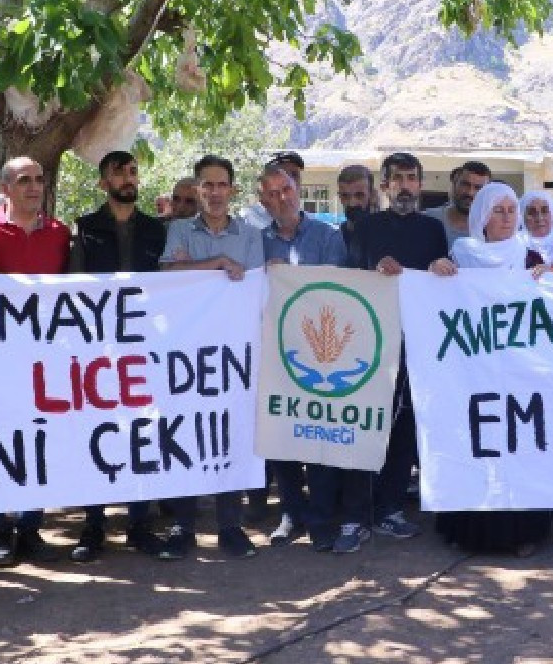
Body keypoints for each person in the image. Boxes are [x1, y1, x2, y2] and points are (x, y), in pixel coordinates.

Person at [433, 182, 553, 555]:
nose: (506, 218)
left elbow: (551, 307)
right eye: (497, 211)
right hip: (473, 373)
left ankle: (521, 534)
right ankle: (472, 533)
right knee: (478, 446)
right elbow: (437, 301)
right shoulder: (461, 255)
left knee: (518, 448)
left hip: (519, 374)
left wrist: (552, 280)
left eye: (511, 210)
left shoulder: (529, 257)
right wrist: (434, 271)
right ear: (482, 216)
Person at [154, 154, 264, 561]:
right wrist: (216, 264)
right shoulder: (179, 229)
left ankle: (230, 527)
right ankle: (182, 526)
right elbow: (168, 276)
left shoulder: (250, 235)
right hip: (186, 352)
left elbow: (254, 285)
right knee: (185, 431)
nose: (215, 193)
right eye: (207, 185)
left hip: (232, 353)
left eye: (221, 185)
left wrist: (194, 269)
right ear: (197, 189)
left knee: (228, 433)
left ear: (232, 190)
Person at [0, 156, 70, 567]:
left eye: (39, 179)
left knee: (37, 439)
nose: (34, 187)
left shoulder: (60, 233)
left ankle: (30, 527)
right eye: (24, 180)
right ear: (5, 187)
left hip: (44, 358)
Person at [67, 150, 168, 563]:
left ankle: (139, 524)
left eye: (133, 172)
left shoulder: (157, 231)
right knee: (98, 430)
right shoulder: (85, 228)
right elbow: (74, 286)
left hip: (144, 349)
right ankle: (93, 525)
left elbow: (170, 285)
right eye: (119, 173)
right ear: (103, 183)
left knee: (141, 432)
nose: (128, 178)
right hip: (97, 350)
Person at [346, 152, 449, 550]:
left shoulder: (433, 229)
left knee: (404, 427)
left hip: (417, 343)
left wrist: (440, 268)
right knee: (364, 426)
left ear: (420, 184)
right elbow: (351, 279)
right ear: (385, 186)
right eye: (397, 179)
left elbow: (441, 277)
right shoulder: (366, 228)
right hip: (371, 342)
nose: (405, 186)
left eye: (411, 178)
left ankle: (390, 508)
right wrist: (375, 270)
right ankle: (355, 516)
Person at [254, 164, 349, 552]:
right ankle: (291, 513)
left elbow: (337, 286)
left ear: (298, 189)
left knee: (320, 433)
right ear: (262, 200)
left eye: (287, 189)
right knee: (282, 436)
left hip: (321, 351)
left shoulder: (328, 236)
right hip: (275, 351)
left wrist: (294, 276)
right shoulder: (257, 242)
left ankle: (322, 518)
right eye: (272, 193)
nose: (282, 198)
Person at [424, 160, 490, 247]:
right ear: (455, 184)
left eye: (478, 188)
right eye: (465, 184)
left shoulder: (492, 229)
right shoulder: (426, 220)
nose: (470, 193)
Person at [519, 191, 553, 266]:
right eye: (532, 212)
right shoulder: (515, 246)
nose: (540, 218)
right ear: (522, 217)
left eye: (545, 211)